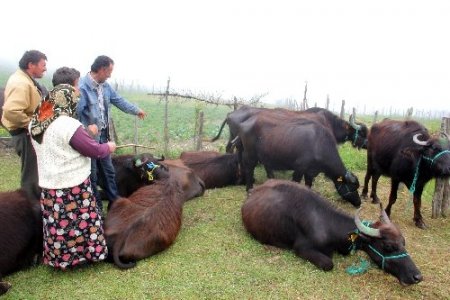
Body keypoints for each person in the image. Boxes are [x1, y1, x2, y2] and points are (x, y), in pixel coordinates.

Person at [29, 67, 115, 270]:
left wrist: (85, 133)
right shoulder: (67, 124)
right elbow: (93, 151)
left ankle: (59, 259)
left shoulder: (38, 120)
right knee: (82, 222)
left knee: (58, 225)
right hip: (72, 185)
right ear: (67, 100)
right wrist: (108, 147)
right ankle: (87, 256)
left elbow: (59, 144)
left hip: (50, 184)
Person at [77, 55, 146, 211]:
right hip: (89, 139)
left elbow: (119, 100)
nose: (110, 75)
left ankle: (116, 205)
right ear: (101, 69)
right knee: (92, 176)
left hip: (103, 137)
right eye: (109, 71)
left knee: (109, 172)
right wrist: (86, 129)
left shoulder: (105, 87)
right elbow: (74, 116)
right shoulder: (82, 88)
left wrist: (136, 110)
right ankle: (97, 210)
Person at [2, 50, 47, 200]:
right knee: (31, 178)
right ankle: (29, 209)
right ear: (31, 65)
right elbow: (11, 111)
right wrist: (33, 125)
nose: (45, 69)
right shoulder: (21, 83)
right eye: (42, 65)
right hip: (25, 134)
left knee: (35, 174)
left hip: (27, 133)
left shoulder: (26, 79)